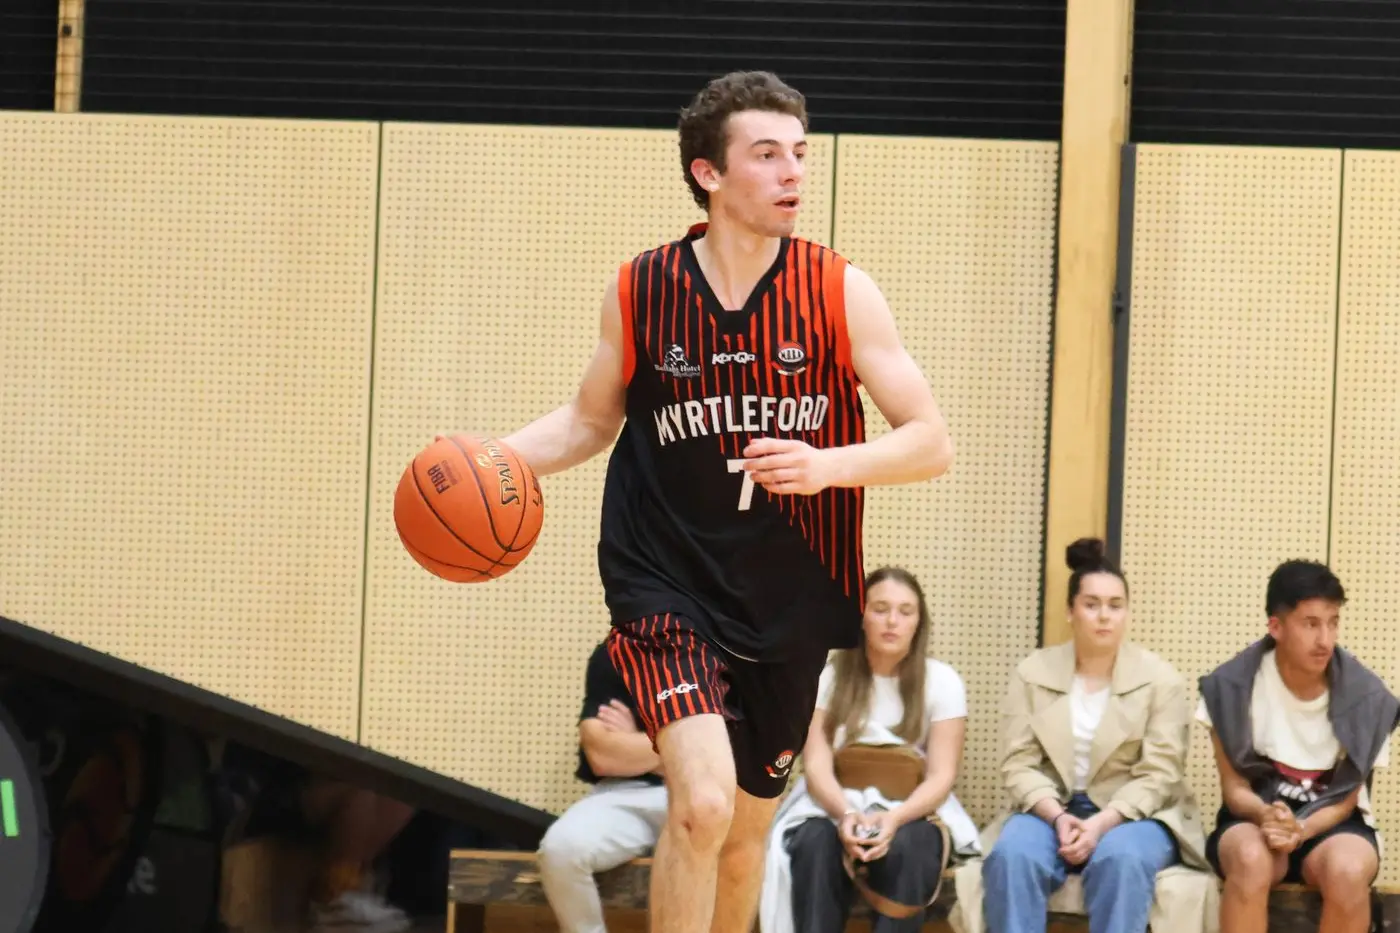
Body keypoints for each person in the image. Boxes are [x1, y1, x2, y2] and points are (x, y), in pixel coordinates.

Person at [491, 70, 954, 933]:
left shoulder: (839, 290)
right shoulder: (643, 288)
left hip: (788, 599)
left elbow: (930, 440)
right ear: (709, 174)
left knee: (744, 836)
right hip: (663, 580)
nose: (793, 175)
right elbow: (590, 420)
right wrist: (492, 458)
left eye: (800, 155)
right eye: (767, 154)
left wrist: (828, 465)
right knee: (699, 802)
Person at [960, 538, 1208, 933]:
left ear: (1127, 612)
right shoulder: (1032, 673)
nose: (1104, 616)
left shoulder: (1161, 680)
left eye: (1115, 605)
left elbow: (1160, 774)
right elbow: (1018, 763)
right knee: (1011, 856)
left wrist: (1102, 823)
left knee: (1121, 859)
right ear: (1070, 611)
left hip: (1133, 814)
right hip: (1049, 809)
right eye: (1091, 605)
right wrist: (1058, 817)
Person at [760, 566, 975, 933]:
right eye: (880, 609)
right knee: (813, 842)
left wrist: (895, 819)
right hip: (833, 801)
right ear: (860, 617)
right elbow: (816, 764)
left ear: (918, 622)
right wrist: (845, 815)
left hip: (911, 807)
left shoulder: (942, 681)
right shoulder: (827, 676)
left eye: (905, 611)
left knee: (915, 844)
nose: (892, 621)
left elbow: (942, 775)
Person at [1198, 559, 1400, 933]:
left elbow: (1346, 799)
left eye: (1333, 622)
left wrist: (1300, 830)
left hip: (1334, 825)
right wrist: (1266, 818)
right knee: (1249, 857)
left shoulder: (1369, 699)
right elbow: (1234, 788)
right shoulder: (1230, 687)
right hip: (1255, 817)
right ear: (1276, 626)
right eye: (1311, 623)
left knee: (1349, 869)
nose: (1325, 639)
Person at [538, 639, 668, 933]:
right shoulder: (616, 652)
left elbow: (736, 751)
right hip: (625, 792)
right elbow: (602, 755)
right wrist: (679, 750)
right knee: (561, 848)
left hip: (708, 792)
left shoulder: (725, 649)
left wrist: (636, 741)